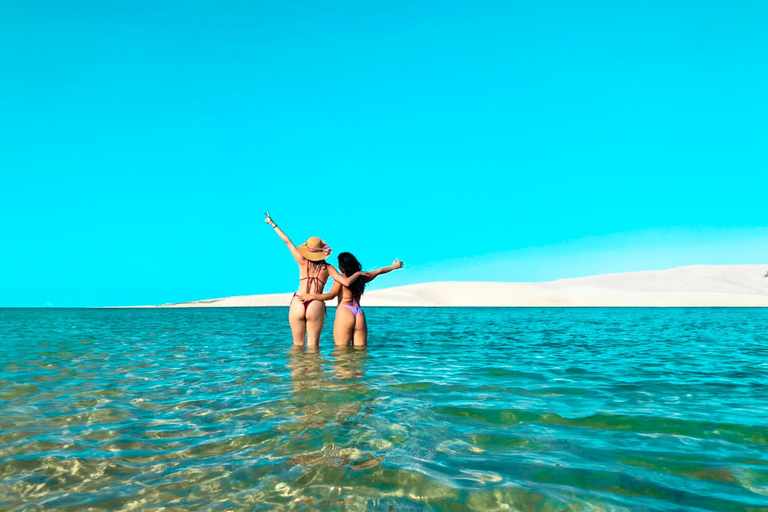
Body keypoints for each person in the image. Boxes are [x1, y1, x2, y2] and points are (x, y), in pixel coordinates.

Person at [265, 213, 364, 347]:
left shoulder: (302, 261)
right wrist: (358, 273)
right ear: (322, 252)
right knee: (313, 346)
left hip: (298, 300)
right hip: (316, 303)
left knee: (297, 345)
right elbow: (346, 282)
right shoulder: (328, 268)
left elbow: (287, 241)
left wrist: (273, 224)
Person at [298, 252, 404, 348]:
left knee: (341, 352)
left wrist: (312, 296)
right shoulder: (362, 276)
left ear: (342, 266)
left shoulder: (341, 278)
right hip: (359, 313)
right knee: (360, 352)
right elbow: (379, 271)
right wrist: (393, 267)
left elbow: (331, 295)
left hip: (345, 312)